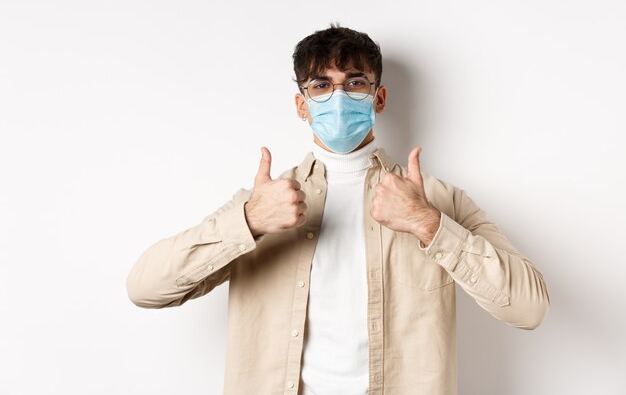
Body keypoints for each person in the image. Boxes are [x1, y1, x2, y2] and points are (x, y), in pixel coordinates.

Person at [126, 23, 550, 395]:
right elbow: (145, 288)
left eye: (355, 83)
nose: (339, 96)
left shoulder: (438, 200)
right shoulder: (264, 202)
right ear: (301, 105)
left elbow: (529, 308)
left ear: (378, 98)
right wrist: (251, 221)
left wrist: (428, 223)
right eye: (321, 85)